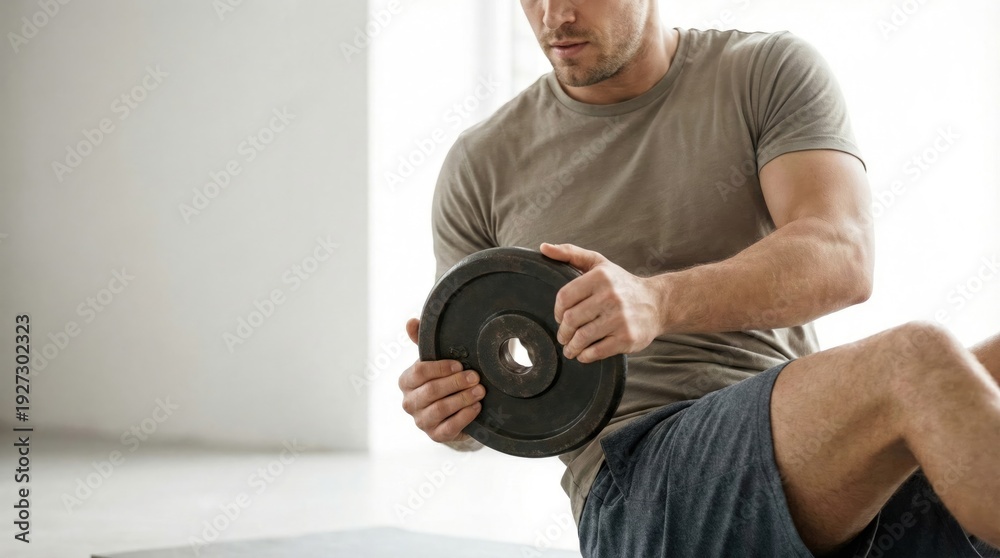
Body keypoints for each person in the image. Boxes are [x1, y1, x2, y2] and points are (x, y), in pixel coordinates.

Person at [397, 1, 1000, 556]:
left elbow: (841, 254)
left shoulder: (764, 71)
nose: (555, 15)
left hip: (811, 456)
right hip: (638, 488)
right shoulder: (481, 164)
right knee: (913, 362)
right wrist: (448, 410)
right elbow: (472, 396)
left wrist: (659, 301)